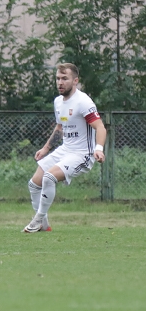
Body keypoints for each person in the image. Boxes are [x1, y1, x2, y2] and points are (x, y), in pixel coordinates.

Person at [24, 63, 106, 233]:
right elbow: (60, 128)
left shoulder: (83, 102)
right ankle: (44, 224)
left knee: (49, 178)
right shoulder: (58, 102)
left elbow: (100, 127)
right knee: (34, 184)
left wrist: (99, 148)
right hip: (65, 150)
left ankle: (37, 219)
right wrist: (46, 148)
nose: (60, 82)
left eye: (65, 79)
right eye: (58, 79)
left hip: (83, 154)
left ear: (75, 81)